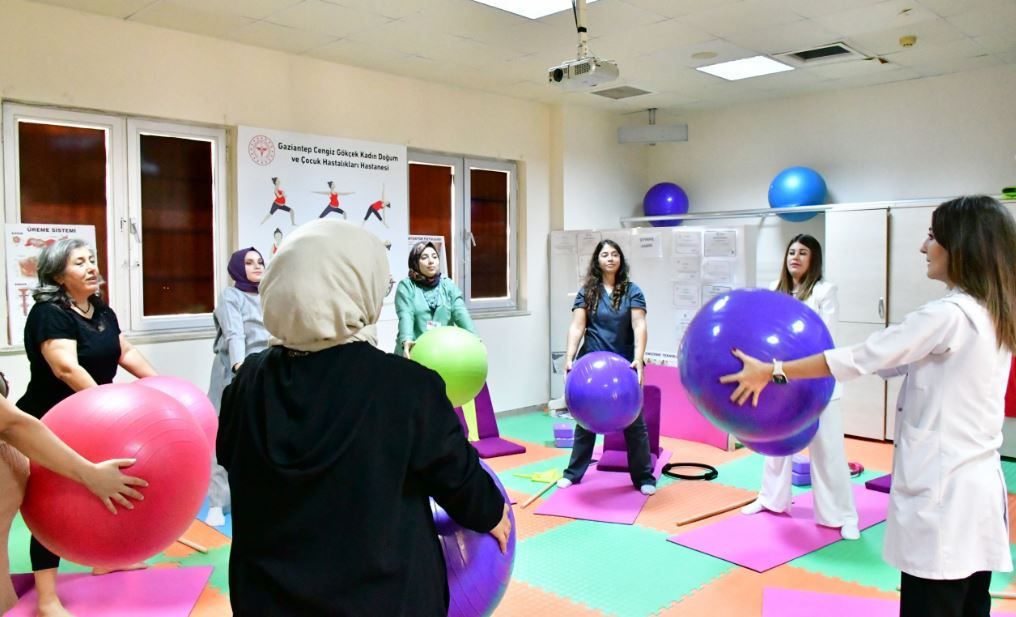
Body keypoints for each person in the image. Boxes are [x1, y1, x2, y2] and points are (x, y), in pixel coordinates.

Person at [720, 196, 1015, 617]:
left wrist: (774, 369)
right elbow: (894, 363)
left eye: (932, 236)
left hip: (945, 494)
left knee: (934, 604)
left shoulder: (947, 315)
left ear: (960, 247)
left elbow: (860, 357)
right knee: (970, 603)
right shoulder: (992, 312)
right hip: (976, 492)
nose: (923, 247)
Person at [217, 220, 511, 616]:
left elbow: (230, 459)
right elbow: (456, 476)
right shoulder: (405, 385)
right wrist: (492, 512)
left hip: (267, 597)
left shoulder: (247, 381)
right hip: (381, 597)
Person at [16, 238, 159, 617]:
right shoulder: (50, 313)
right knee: (52, 504)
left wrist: (159, 387)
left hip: (95, 420)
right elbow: (65, 367)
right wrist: (106, 406)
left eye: (92, 259)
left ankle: (105, 558)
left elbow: (123, 352)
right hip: (50, 421)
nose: (92, 267)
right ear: (59, 275)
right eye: (80, 262)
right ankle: (47, 598)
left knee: (111, 485)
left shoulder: (99, 309)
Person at [740, 234, 860, 541]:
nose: (795, 256)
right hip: (779, 380)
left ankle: (842, 516)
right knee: (776, 445)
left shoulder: (824, 291)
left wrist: (794, 368)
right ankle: (771, 499)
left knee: (828, 449)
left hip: (818, 381)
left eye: (802, 252)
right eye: (791, 251)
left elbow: (826, 340)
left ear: (813, 259)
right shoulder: (773, 291)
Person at [1, 388, 146, 615]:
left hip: (74, 425)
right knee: (52, 511)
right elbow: (13, 422)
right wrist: (90, 473)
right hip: (48, 427)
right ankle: (47, 600)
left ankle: (104, 559)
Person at [557, 239, 656, 495]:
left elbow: (639, 325)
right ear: (597, 261)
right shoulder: (587, 292)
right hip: (591, 363)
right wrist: (569, 357)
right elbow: (578, 326)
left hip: (623, 365)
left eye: (614, 254)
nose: (610, 258)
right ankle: (573, 473)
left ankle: (644, 477)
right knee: (585, 421)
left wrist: (639, 358)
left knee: (635, 422)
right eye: (604, 254)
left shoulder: (632, 290)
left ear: (620, 260)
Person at [205, 247, 269, 527]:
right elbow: (234, 333)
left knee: (259, 434)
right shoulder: (231, 296)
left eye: (260, 262)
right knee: (222, 434)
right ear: (236, 268)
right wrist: (239, 368)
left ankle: (255, 495)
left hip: (263, 371)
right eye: (249, 262)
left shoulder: (269, 295)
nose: (256, 266)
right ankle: (218, 502)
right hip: (232, 371)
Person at [394, 242, 476, 357]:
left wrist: (475, 338)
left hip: (441, 353)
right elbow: (406, 315)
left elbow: (460, 312)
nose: (431, 261)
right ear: (415, 261)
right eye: (424, 257)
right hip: (413, 351)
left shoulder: (448, 285)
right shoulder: (407, 286)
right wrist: (406, 340)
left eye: (434, 257)